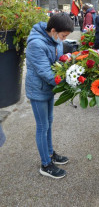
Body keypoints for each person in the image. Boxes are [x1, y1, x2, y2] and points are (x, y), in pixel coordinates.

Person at [25, 12, 74, 179]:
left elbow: (57, 61)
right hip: (38, 90)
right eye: (62, 35)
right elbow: (46, 72)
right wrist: (70, 82)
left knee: (49, 122)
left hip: (49, 89)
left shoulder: (54, 40)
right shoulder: (36, 44)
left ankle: (50, 153)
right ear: (53, 30)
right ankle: (45, 164)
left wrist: (66, 61)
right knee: (42, 126)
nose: (63, 39)